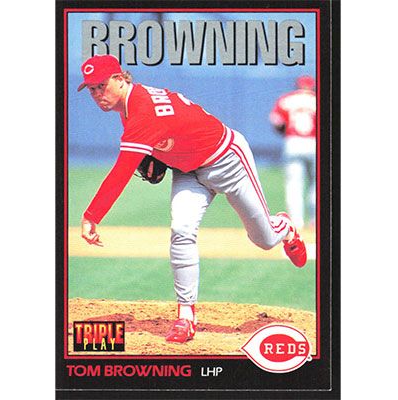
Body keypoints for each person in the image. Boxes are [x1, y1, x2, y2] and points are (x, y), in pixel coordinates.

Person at [78, 54, 307, 343]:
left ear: (120, 78)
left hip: (227, 160)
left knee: (264, 239)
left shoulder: (142, 111)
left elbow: (121, 172)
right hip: (188, 171)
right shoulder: (131, 104)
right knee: (181, 230)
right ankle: (186, 317)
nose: (97, 94)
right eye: (91, 89)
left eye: (101, 85)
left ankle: (284, 228)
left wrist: (92, 216)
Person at [269, 76, 317, 229]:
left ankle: (296, 222)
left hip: (293, 142)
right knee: (317, 184)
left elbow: (277, 122)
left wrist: (285, 131)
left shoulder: (286, 99)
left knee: (294, 184)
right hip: (314, 142)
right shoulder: (318, 99)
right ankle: (315, 221)